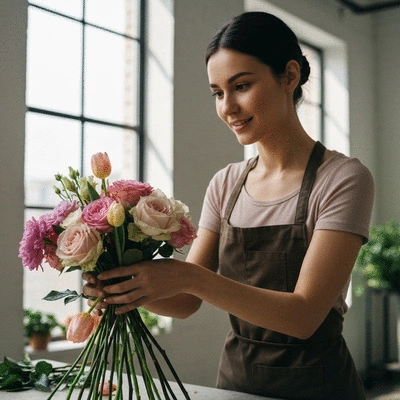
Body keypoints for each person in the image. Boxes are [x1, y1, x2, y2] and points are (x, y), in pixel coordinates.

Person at [82, 11, 374, 400]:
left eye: (241, 86)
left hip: (318, 386)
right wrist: (125, 286)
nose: (227, 107)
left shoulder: (343, 179)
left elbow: (304, 317)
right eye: (218, 93)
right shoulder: (226, 183)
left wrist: (191, 278)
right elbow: (185, 302)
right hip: (236, 385)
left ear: (289, 76)